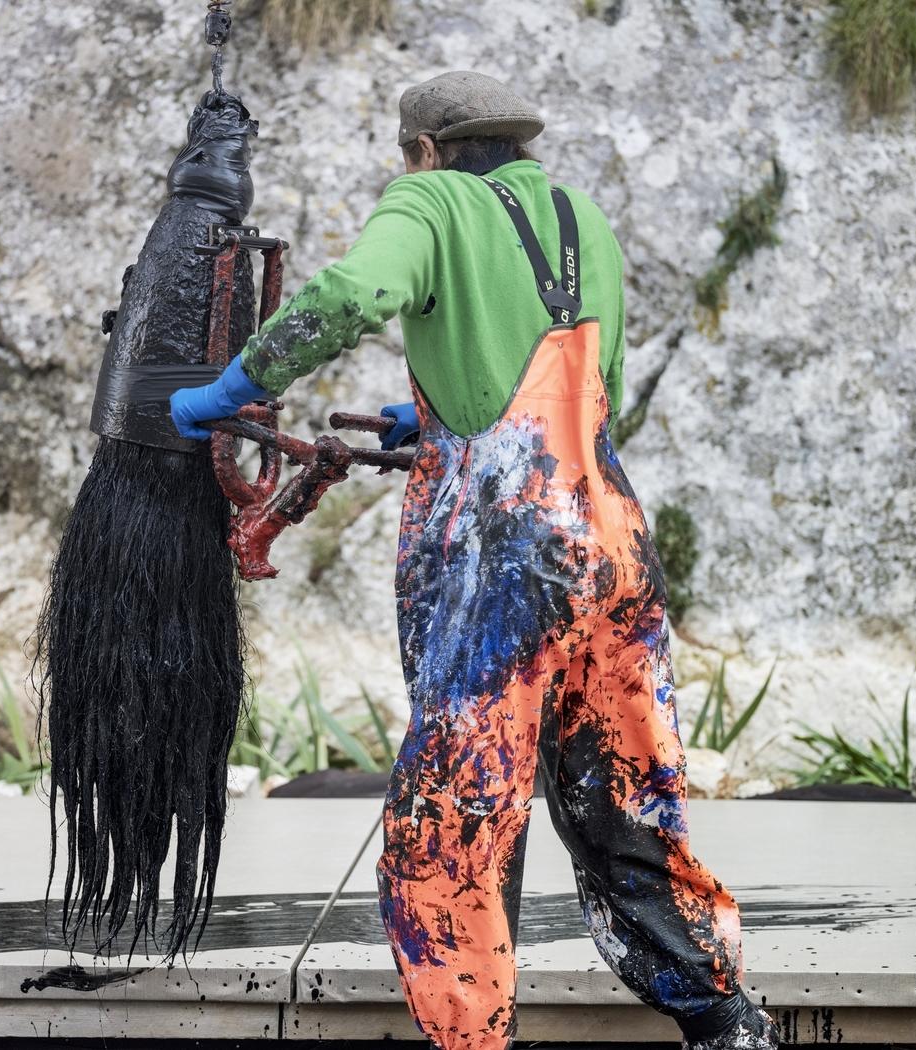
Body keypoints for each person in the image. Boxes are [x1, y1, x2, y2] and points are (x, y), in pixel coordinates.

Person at [170, 71, 779, 1050]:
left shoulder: (429, 199)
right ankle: (723, 1020)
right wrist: (439, 407)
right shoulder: (580, 216)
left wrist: (231, 386)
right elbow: (592, 387)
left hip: (506, 571)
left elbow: (349, 295)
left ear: (421, 149)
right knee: (627, 810)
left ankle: (470, 1043)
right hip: (612, 550)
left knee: (453, 828)